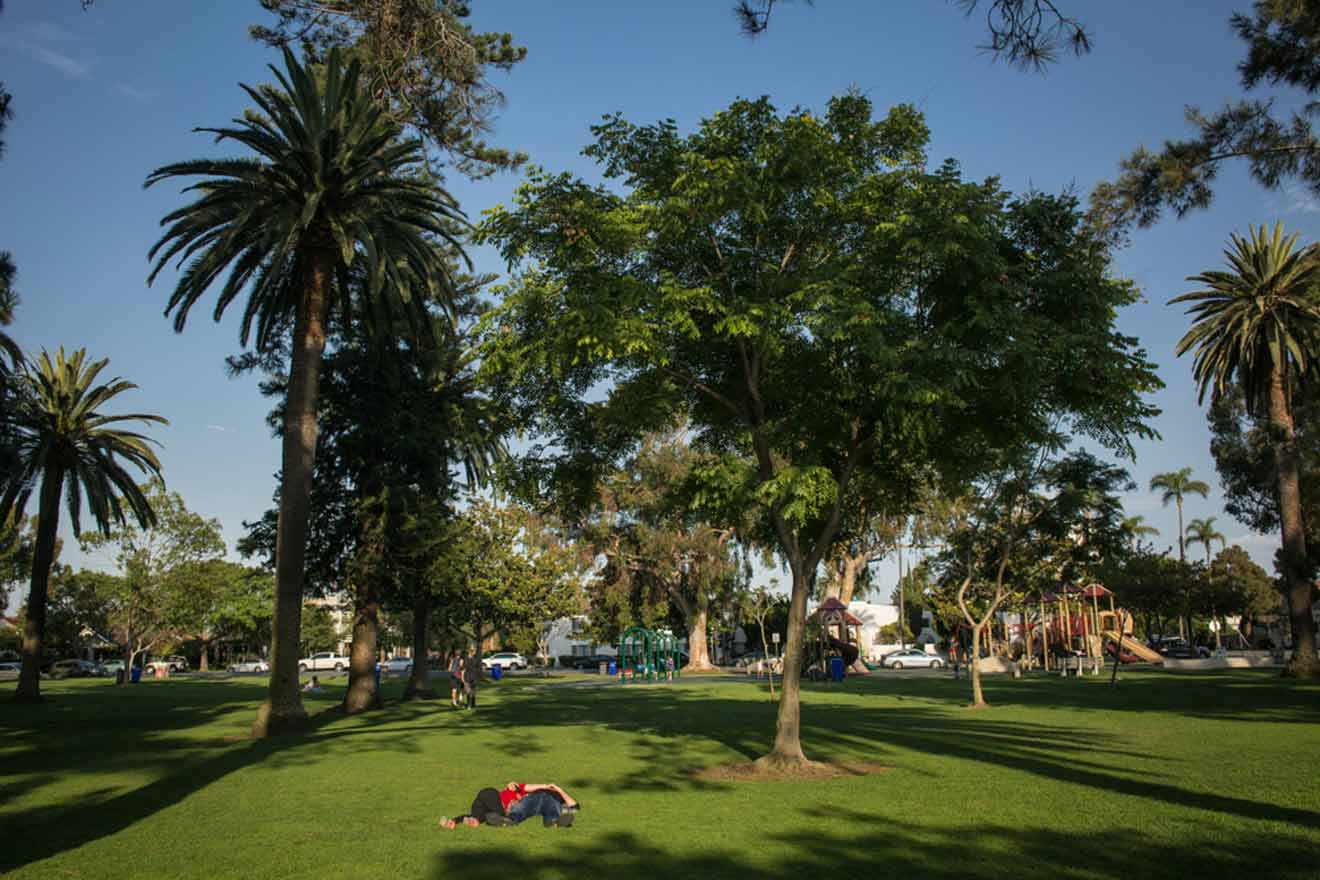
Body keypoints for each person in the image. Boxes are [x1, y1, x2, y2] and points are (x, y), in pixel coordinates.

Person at [439, 783, 578, 830]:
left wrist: (559, 790)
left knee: (547, 802)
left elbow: (575, 807)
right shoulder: (521, 791)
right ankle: (507, 819)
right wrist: (545, 786)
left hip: (540, 806)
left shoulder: (555, 799)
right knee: (488, 794)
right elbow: (527, 786)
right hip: (510, 803)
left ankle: (552, 822)